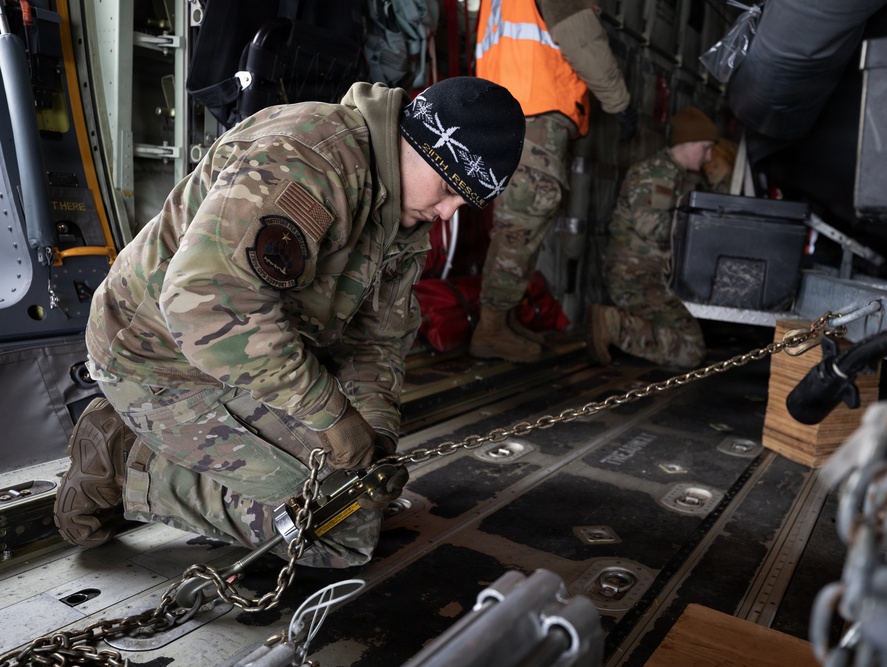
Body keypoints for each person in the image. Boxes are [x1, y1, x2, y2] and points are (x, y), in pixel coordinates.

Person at [53, 77, 525, 568]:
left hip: (248, 358)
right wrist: (332, 418)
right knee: (339, 530)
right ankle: (126, 460)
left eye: (463, 204)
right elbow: (206, 305)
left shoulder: (404, 220)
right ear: (419, 141)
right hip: (159, 361)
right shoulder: (311, 160)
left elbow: (376, 344)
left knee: (356, 498)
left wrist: (375, 437)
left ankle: (156, 449)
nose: (447, 213)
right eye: (448, 189)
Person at [470, 0, 636, 363]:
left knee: (515, 220)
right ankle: (492, 328)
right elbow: (581, 39)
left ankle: (503, 319)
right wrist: (620, 103)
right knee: (522, 223)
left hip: (502, 109)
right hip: (535, 112)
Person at [587, 106, 718, 369]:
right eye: (706, 147)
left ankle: (618, 324)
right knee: (691, 350)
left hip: (652, 276)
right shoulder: (656, 174)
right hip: (635, 277)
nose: (709, 156)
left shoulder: (680, 178)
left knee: (692, 333)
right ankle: (613, 325)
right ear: (687, 142)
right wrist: (701, 233)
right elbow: (652, 226)